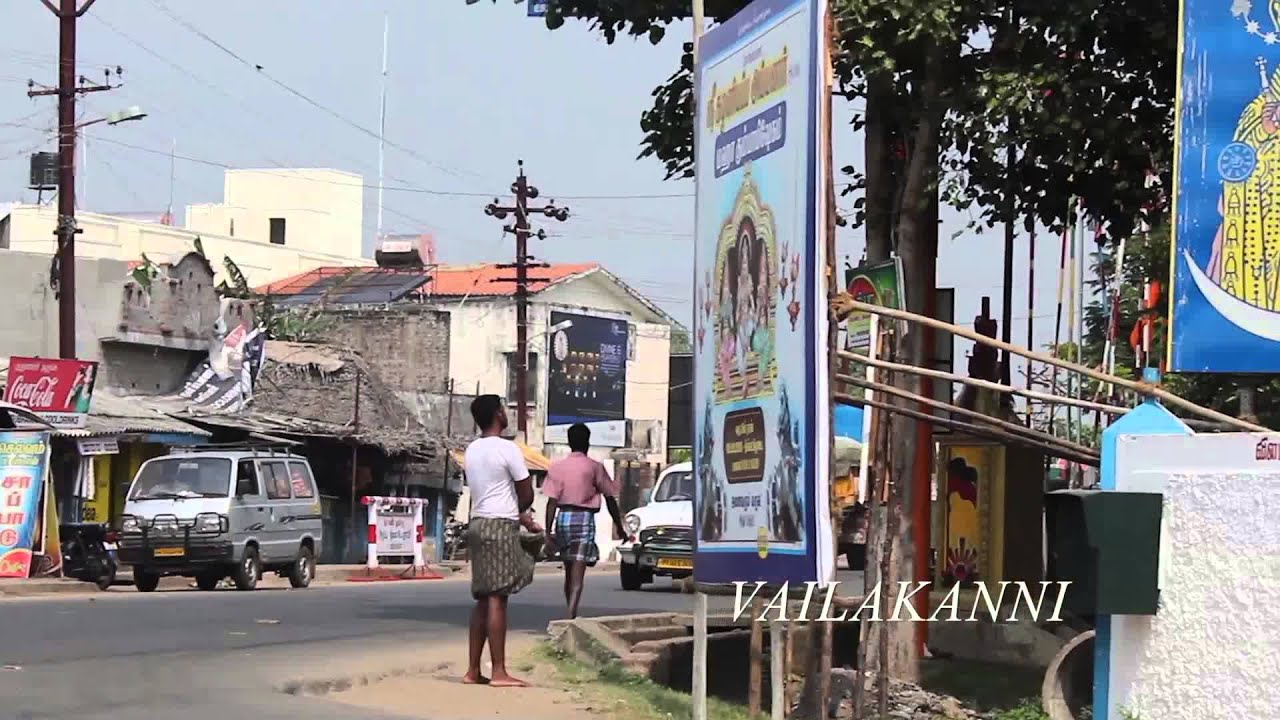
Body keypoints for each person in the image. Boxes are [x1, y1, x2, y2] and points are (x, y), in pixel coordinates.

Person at [462, 395, 535, 687]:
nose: (506, 413)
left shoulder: (471, 449)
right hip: (500, 525)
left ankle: (472, 670)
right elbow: (526, 492)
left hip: (478, 523)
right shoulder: (508, 449)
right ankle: (500, 671)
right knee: (497, 598)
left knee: (482, 598)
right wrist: (523, 512)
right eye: (503, 409)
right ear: (497, 414)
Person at [542, 423, 626, 619]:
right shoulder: (594, 467)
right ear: (587, 443)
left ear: (569, 442)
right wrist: (619, 526)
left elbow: (551, 502)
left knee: (568, 570)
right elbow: (609, 498)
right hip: (583, 519)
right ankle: (571, 615)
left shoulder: (557, 467)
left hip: (563, 519)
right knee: (578, 573)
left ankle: (569, 611)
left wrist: (548, 532)